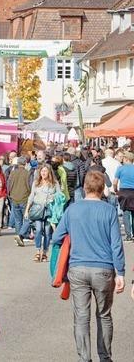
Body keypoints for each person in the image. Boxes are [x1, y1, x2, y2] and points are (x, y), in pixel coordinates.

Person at [52, 171, 125, 362]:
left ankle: (84, 358)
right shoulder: (109, 211)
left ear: (84, 188)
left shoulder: (73, 210)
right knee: (104, 315)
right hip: (104, 268)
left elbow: (56, 237)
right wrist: (121, 272)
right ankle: (105, 357)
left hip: (77, 267)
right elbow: (116, 244)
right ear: (102, 190)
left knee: (81, 317)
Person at [24, 165, 60, 262]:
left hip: (49, 209)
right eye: (42, 171)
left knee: (48, 232)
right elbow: (31, 196)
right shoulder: (36, 183)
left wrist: (53, 197)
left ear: (49, 172)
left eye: (45, 171)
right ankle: (37, 250)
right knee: (39, 229)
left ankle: (44, 252)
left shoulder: (54, 183)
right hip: (38, 209)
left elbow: (60, 195)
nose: (43, 173)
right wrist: (27, 209)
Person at [8, 157, 32, 247]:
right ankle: (20, 235)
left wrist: (9, 194)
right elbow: (29, 186)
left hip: (14, 198)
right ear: (25, 163)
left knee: (18, 220)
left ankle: (19, 238)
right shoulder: (27, 173)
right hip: (24, 198)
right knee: (28, 219)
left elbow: (9, 185)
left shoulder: (13, 173)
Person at [114, 151, 134, 241]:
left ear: (126, 159)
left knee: (125, 213)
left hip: (124, 191)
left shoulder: (120, 169)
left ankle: (128, 235)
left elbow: (115, 182)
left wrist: (116, 190)